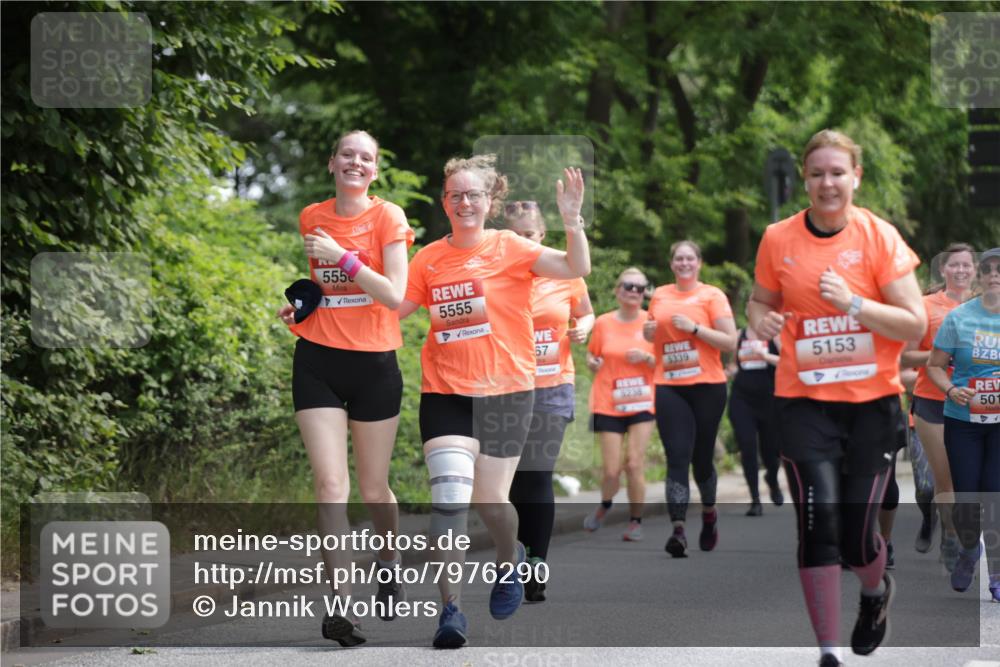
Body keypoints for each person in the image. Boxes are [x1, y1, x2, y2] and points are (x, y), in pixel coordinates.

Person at [748, 129, 925, 666]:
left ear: (856, 177)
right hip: (803, 400)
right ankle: (828, 651)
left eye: (837, 173)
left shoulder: (879, 237)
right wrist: (764, 322)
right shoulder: (778, 237)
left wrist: (854, 304)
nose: (828, 183)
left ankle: (875, 593)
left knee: (855, 535)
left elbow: (914, 323)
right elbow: (758, 303)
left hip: (871, 404)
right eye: (817, 173)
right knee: (816, 520)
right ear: (805, 178)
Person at [398, 155, 590, 648]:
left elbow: (574, 267)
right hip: (445, 392)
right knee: (449, 501)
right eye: (455, 195)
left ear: (490, 202)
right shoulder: (428, 259)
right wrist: (312, 308)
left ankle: (510, 559)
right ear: (444, 203)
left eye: (474, 195)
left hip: (508, 392)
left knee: (491, 502)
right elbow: (390, 310)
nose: (464, 202)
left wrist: (571, 222)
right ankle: (450, 611)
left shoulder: (511, 246)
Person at [276, 130, 414, 646]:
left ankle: (389, 554)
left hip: (375, 365)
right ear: (332, 162)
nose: (356, 162)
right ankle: (339, 609)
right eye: (347, 154)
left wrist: (343, 256)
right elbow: (327, 291)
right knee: (332, 486)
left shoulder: (388, 217)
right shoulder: (312, 216)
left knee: (375, 489)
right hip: (316, 361)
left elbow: (394, 295)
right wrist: (301, 307)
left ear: (374, 170)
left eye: (367, 157)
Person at [505, 200, 595, 603]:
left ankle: (537, 562)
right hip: (504, 388)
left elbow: (588, 313)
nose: (523, 241)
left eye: (530, 235)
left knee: (537, 474)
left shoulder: (564, 272)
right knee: (510, 484)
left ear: (542, 236)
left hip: (552, 386)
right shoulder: (498, 274)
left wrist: (583, 328)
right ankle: (516, 556)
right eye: (515, 235)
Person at [644, 241, 738, 557]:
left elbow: (729, 341)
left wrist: (695, 328)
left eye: (689, 258)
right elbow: (651, 334)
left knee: (701, 459)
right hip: (669, 384)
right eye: (678, 258)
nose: (684, 263)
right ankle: (679, 530)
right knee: (677, 455)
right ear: (672, 264)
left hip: (708, 386)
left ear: (698, 263)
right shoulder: (660, 295)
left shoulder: (712, 296)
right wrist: (648, 332)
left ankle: (709, 514)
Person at [926, 247, 1000, 601]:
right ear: (980, 276)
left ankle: (997, 574)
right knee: (968, 497)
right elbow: (935, 366)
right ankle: (970, 550)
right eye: (989, 270)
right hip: (964, 422)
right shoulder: (959, 319)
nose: (995, 276)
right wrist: (952, 388)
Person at [901, 243, 976, 568]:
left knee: (966, 481)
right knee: (935, 483)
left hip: (976, 406)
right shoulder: (924, 306)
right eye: (954, 265)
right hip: (932, 401)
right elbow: (904, 354)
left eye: (966, 265)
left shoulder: (986, 307)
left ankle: (963, 542)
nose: (961, 270)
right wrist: (941, 357)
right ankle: (947, 530)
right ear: (943, 270)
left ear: (975, 271)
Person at [582, 268, 657, 541]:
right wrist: (592, 362)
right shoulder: (603, 323)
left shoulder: (652, 323)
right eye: (628, 286)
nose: (634, 292)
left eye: (640, 287)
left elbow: (666, 363)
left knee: (635, 463)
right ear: (618, 290)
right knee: (612, 470)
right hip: (609, 402)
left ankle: (636, 521)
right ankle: (605, 504)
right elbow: (592, 355)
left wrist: (647, 359)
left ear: (644, 293)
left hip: (642, 401)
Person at [727, 325, 783, 516]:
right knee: (747, 446)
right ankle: (755, 500)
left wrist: (765, 356)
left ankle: (772, 480)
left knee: (772, 452)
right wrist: (731, 371)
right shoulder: (739, 335)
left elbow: (788, 362)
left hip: (770, 400)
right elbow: (733, 363)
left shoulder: (775, 334)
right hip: (742, 400)